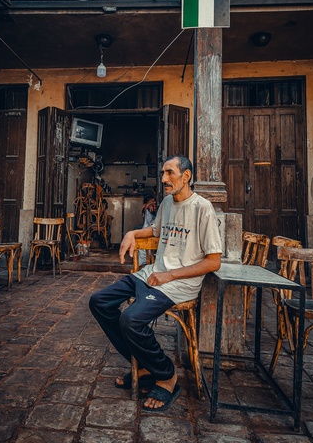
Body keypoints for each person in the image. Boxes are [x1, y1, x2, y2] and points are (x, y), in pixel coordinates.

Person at [89, 154, 222, 412]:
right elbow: (156, 231)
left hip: (177, 284)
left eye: (169, 173)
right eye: (163, 173)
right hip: (151, 275)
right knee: (99, 302)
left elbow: (213, 262)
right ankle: (144, 364)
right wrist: (132, 232)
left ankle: (166, 374)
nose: (164, 179)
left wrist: (170, 275)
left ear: (186, 176)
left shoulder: (202, 208)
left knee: (131, 319)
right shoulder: (167, 204)